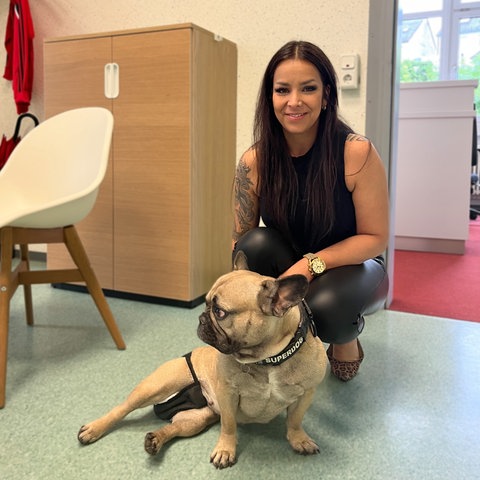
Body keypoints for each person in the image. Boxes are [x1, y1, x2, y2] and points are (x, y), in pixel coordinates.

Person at [232, 40, 389, 381]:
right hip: (293, 262)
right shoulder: (254, 161)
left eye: (308, 88)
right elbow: (240, 244)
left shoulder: (356, 153)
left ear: (326, 95)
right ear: (269, 97)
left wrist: (309, 265)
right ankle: (282, 338)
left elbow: (375, 238)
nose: (294, 101)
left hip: (354, 265)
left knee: (328, 309)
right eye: (282, 90)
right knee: (253, 245)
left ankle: (346, 334)